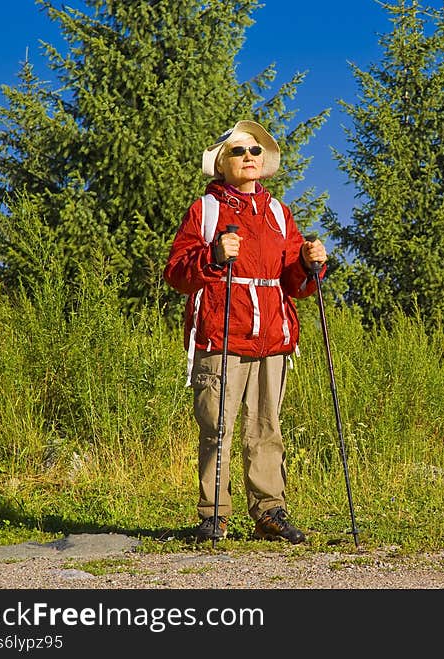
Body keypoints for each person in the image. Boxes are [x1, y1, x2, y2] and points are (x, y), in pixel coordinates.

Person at [163, 119, 326, 544]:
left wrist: (310, 263)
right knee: (216, 425)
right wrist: (213, 255)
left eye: (255, 151)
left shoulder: (277, 212)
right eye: (239, 152)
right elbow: (177, 274)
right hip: (221, 333)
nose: (249, 157)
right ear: (222, 163)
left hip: (273, 336)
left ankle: (269, 512)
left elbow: (294, 282)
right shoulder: (206, 211)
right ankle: (213, 515)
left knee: (267, 427)